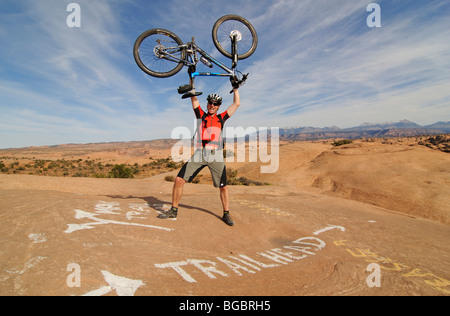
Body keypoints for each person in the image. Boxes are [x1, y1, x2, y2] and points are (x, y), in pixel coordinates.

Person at [158, 79, 241, 226]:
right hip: (200, 153)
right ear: (207, 103)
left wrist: (235, 88)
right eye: (210, 102)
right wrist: (192, 77)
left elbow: (236, 104)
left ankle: (226, 214)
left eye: (215, 104)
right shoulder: (200, 115)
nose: (212, 105)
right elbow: (193, 96)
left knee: (223, 186)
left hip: (215, 155)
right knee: (178, 180)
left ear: (218, 106)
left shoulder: (221, 118)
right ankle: (173, 210)